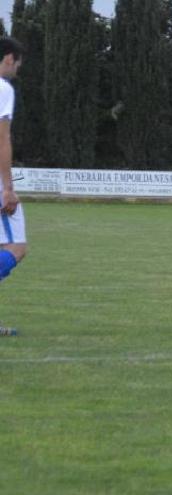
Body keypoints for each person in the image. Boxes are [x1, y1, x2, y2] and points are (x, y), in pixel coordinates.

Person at [0, 37, 26, 336]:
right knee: (17, 247)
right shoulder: (3, 89)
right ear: (9, 58)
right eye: (18, 62)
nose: (18, 67)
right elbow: (2, 139)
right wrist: (8, 187)